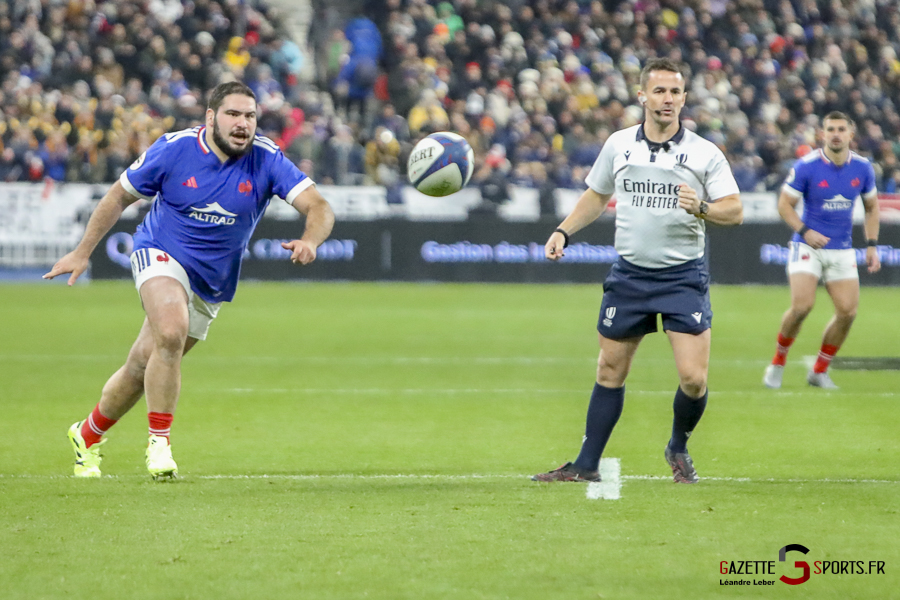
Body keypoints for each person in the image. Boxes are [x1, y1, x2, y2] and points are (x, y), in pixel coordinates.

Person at [44, 81, 335, 479]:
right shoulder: (174, 148)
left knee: (142, 365)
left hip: (212, 281)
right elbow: (118, 197)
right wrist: (82, 252)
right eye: (233, 114)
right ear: (211, 117)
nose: (243, 124)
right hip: (159, 250)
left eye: (250, 116)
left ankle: (87, 434)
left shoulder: (267, 157)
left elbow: (318, 206)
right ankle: (159, 444)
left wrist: (310, 240)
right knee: (170, 330)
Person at [532, 58, 743, 484]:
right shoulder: (619, 144)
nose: (668, 99)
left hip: (682, 276)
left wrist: (702, 207)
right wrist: (563, 230)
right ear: (642, 95)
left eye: (675, 92)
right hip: (630, 275)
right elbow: (597, 195)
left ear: (684, 98)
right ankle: (586, 464)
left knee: (694, 379)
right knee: (609, 370)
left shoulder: (704, 152)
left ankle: (677, 445)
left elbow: (734, 210)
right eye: (660, 91)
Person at [762, 112, 880, 390]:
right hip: (807, 246)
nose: (836, 134)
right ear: (822, 134)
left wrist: (872, 245)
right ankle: (778, 362)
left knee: (847, 312)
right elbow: (784, 205)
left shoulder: (863, 168)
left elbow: (872, 207)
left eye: (841, 129)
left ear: (851, 134)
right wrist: (805, 232)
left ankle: (819, 371)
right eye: (831, 129)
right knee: (802, 306)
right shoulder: (807, 166)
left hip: (842, 249)